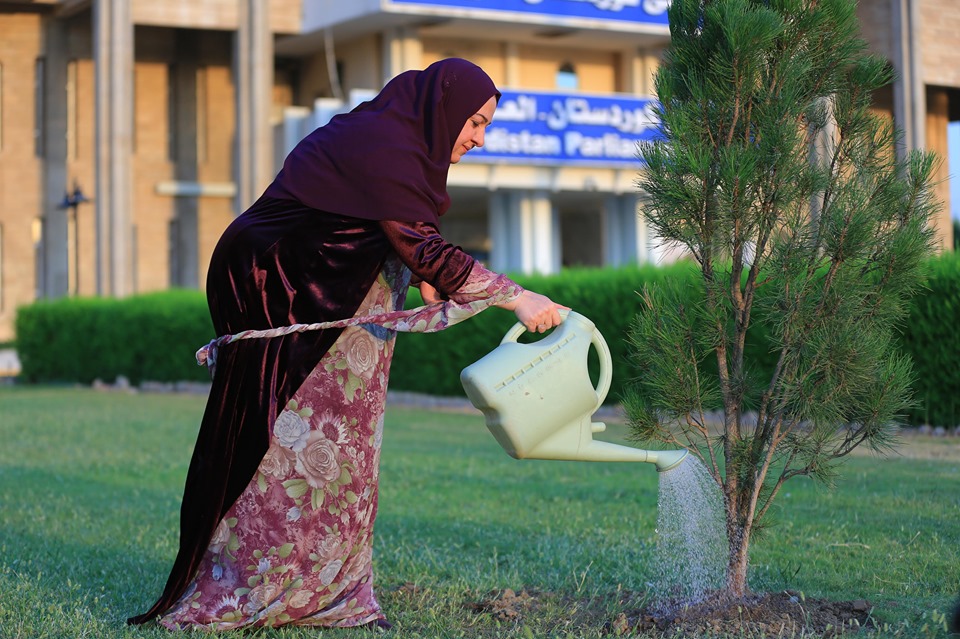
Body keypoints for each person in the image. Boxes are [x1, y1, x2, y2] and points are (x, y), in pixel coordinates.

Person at [128, 58, 565, 631]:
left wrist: (425, 274)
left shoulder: (393, 142)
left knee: (345, 443)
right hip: (281, 290)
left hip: (328, 292)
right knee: (282, 440)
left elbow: (397, 235)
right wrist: (517, 297)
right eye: (476, 122)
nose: (480, 139)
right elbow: (421, 245)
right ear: (443, 110)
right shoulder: (384, 145)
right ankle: (251, 586)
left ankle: (329, 589)